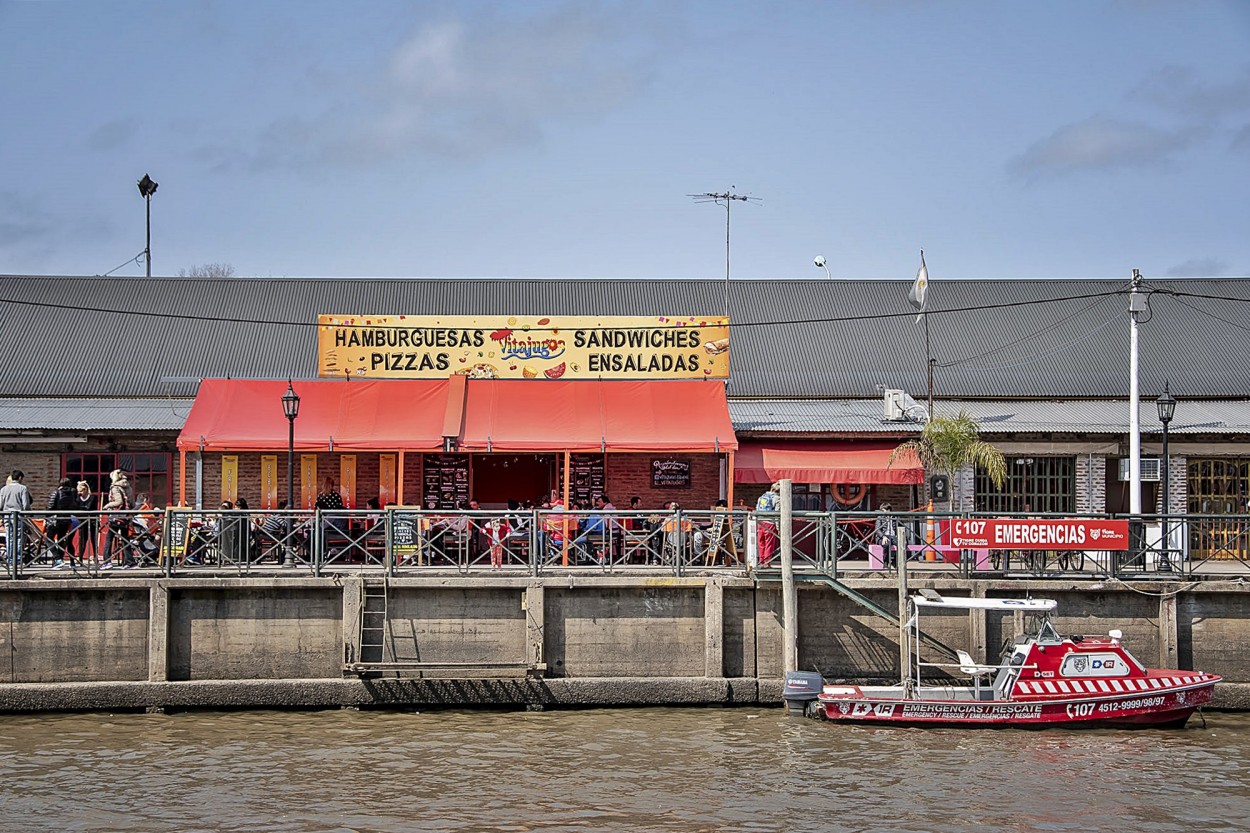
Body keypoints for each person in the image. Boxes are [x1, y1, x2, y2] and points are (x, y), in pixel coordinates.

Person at [101, 469, 134, 569]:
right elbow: (132, 501)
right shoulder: (127, 486)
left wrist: (107, 506)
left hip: (116, 516)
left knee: (109, 539)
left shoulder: (115, 487)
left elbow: (118, 501)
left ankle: (107, 561)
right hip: (126, 516)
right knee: (125, 539)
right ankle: (130, 561)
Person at [1, 470, 32, 565]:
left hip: (6, 514)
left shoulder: (3, 489)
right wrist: (28, 513)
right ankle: (17, 560)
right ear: (20, 478)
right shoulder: (23, 488)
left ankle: (10, 559)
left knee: (9, 537)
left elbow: (0, 504)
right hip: (18, 515)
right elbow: (26, 504)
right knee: (18, 537)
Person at [46, 477, 79, 568]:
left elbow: (50, 507)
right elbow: (75, 506)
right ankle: (59, 560)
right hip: (66, 520)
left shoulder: (56, 492)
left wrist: (46, 517)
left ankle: (57, 559)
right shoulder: (72, 494)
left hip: (56, 520)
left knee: (48, 539)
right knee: (61, 540)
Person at [755, 482, 781, 568]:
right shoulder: (777, 499)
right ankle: (767, 562)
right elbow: (777, 514)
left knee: (761, 542)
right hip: (770, 523)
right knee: (769, 544)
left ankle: (761, 561)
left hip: (760, 522)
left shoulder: (761, 497)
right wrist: (778, 528)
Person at [75, 480, 99, 564]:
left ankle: (96, 557)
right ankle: (80, 557)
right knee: (82, 539)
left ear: (85, 490)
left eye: (81, 491)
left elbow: (90, 508)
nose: (79, 493)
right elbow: (77, 509)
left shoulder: (92, 498)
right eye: (78, 491)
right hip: (82, 521)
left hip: (92, 520)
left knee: (93, 539)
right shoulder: (78, 499)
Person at [875, 502, 898, 568]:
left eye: (883, 510)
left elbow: (900, 527)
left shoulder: (895, 517)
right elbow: (877, 529)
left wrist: (898, 536)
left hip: (893, 536)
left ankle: (895, 562)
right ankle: (886, 562)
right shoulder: (880, 517)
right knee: (886, 544)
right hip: (883, 536)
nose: (882, 512)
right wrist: (883, 536)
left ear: (888, 510)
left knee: (902, 543)